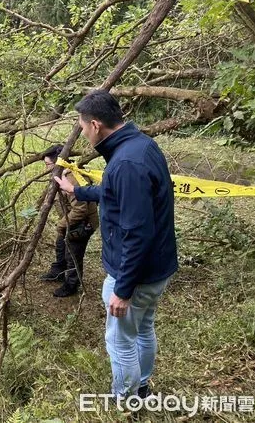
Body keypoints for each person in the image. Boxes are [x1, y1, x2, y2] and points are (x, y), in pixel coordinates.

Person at [54, 90, 177, 399]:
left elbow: (138, 232)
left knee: (121, 341)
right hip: (156, 270)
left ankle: (125, 399)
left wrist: (123, 289)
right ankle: (143, 386)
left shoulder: (126, 163)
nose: (81, 132)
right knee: (143, 328)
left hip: (135, 276)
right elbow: (116, 194)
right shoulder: (139, 146)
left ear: (95, 124)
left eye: (82, 126)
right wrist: (78, 191)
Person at [41, 145, 98, 297]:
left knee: (73, 253)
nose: (46, 169)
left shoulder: (71, 180)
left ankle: (71, 284)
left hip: (83, 223)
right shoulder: (60, 176)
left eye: (48, 165)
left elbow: (80, 210)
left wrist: (61, 224)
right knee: (61, 244)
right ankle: (58, 271)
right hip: (70, 220)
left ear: (58, 163)